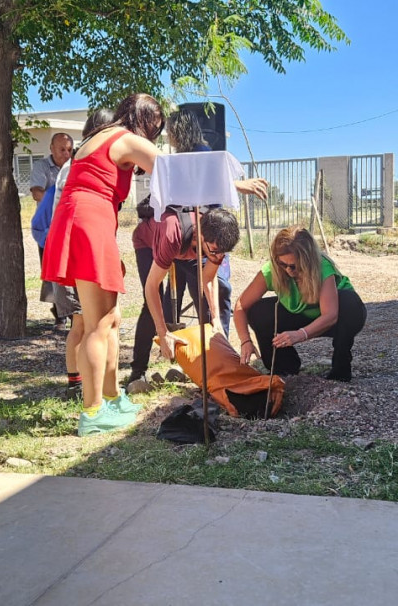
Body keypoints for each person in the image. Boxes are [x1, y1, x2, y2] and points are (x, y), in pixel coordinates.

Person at [41, 92, 267, 437]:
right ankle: (92, 411)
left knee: (111, 318)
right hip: (89, 218)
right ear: (144, 121)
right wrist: (237, 184)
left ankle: (112, 397)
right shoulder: (126, 139)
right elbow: (178, 176)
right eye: (156, 129)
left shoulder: (99, 137)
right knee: (97, 323)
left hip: (87, 218)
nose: (156, 138)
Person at [128, 110, 229, 393]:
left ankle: (211, 370)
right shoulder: (173, 232)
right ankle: (137, 373)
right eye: (209, 251)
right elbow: (150, 288)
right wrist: (163, 333)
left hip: (187, 242)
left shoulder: (215, 241)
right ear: (201, 236)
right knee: (155, 303)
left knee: (207, 307)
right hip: (151, 242)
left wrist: (218, 323)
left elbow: (208, 281)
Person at [30, 109, 114, 400]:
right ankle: (83, 389)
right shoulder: (80, 166)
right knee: (85, 322)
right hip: (72, 251)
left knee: (88, 321)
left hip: (69, 250)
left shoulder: (76, 164)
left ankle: (87, 385)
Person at [233, 226, 366, 382]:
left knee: (349, 303)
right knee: (259, 311)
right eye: (283, 264)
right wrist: (245, 341)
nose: (288, 270)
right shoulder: (272, 270)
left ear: (307, 260)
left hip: (336, 318)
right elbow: (241, 306)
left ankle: (340, 370)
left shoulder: (322, 267)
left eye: (294, 266)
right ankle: (284, 368)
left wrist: (301, 334)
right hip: (300, 314)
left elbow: (330, 315)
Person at [29, 132, 74, 203]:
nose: (67, 154)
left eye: (69, 150)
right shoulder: (41, 165)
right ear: (52, 148)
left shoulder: (75, 167)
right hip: (49, 213)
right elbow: (37, 194)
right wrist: (63, 200)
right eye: (62, 150)